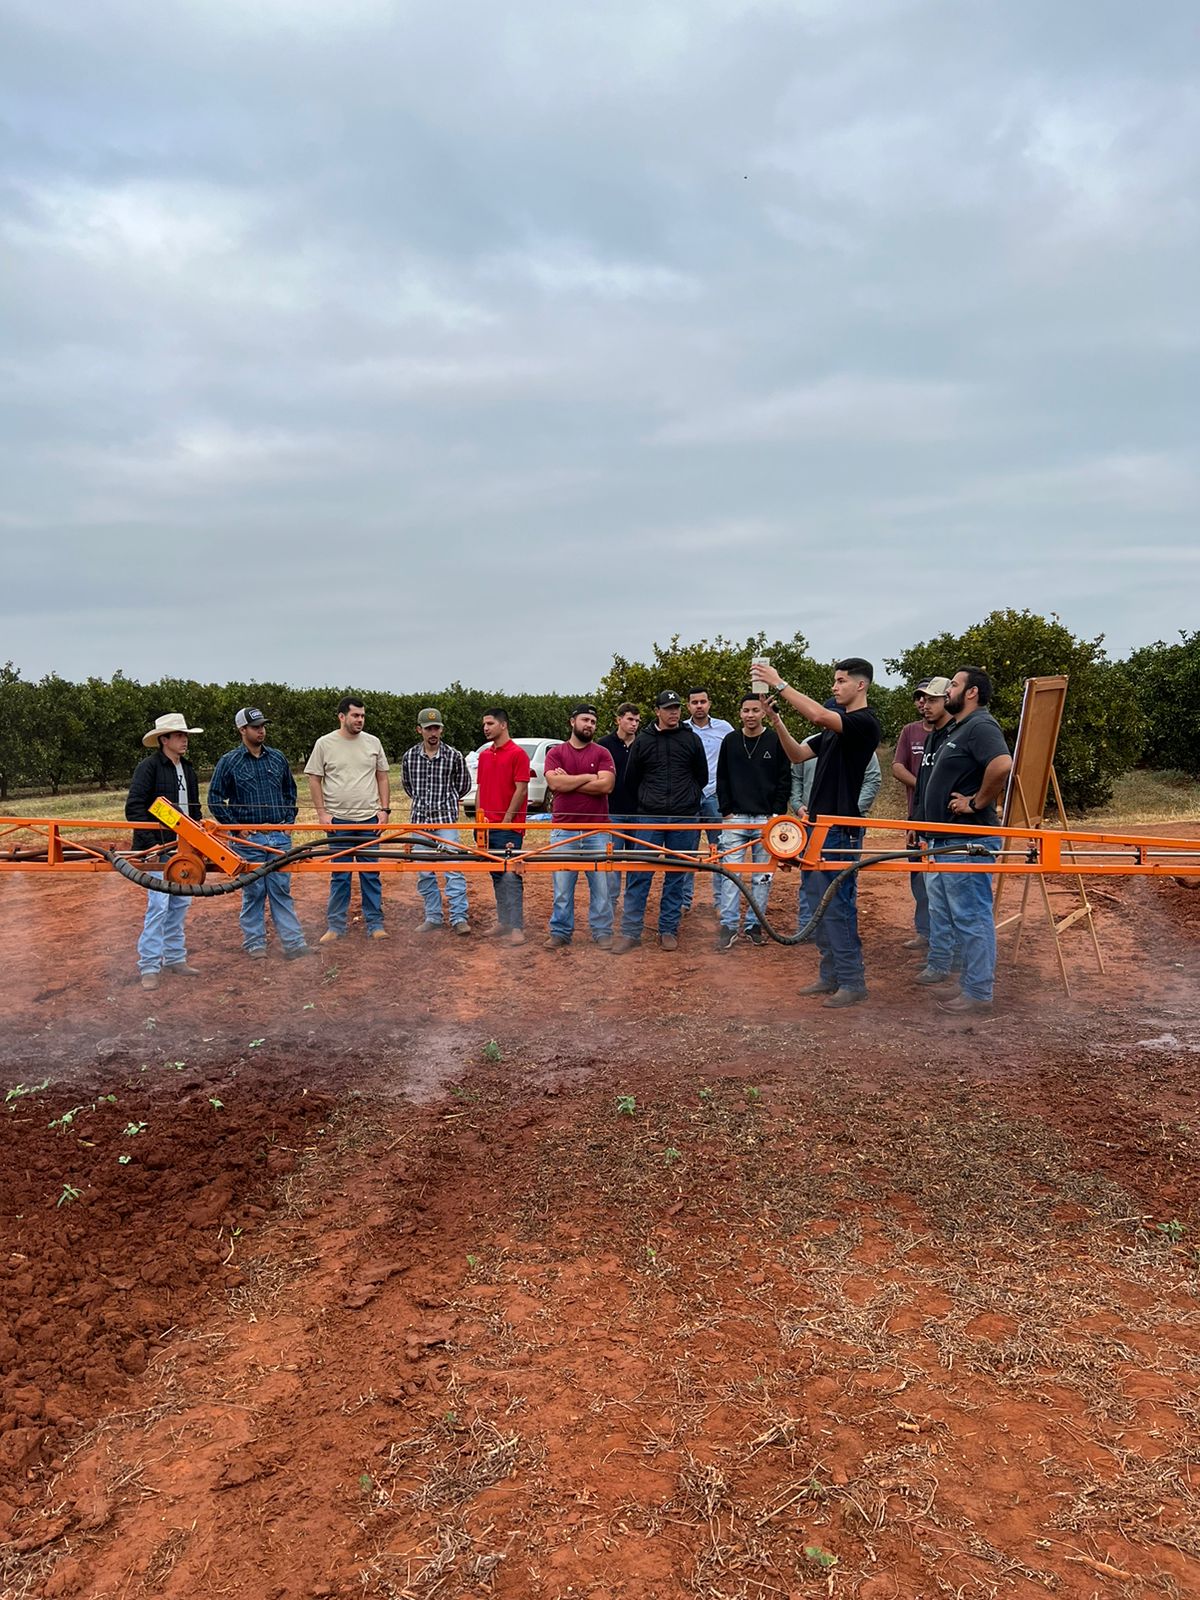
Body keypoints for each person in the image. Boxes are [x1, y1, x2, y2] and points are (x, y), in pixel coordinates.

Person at [753, 657, 881, 1007]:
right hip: (817, 829)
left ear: (861, 685)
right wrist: (775, 719)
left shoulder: (863, 723)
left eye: (840, 680)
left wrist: (779, 682)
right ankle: (830, 976)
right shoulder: (831, 733)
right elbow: (796, 755)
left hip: (840, 831)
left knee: (837, 906)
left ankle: (853, 982)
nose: (834, 686)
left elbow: (819, 715)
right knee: (817, 906)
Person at [918, 666, 1012, 1015]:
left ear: (971, 693)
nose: (948, 691)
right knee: (962, 916)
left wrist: (976, 803)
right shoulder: (962, 727)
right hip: (949, 839)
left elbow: (1002, 764)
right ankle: (972, 986)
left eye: (954, 685)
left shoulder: (981, 725)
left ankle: (978, 993)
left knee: (972, 916)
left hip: (968, 840)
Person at [208, 707, 312, 962]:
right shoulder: (229, 761)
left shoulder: (277, 758)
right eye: (255, 727)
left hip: (278, 834)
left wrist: (287, 821)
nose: (261, 730)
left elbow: (290, 790)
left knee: (280, 889)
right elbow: (215, 798)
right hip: (249, 838)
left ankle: (293, 943)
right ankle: (255, 944)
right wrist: (236, 827)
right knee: (253, 892)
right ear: (242, 730)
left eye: (263, 726)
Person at [611, 690, 708, 954]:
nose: (673, 712)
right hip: (650, 816)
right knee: (639, 874)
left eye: (676, 707)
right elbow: (631, 779)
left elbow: (701, 776)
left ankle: (668, 929)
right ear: (657, 711)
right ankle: (631, 932)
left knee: (676, 875)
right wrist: (649, 800)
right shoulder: (643, 741)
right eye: (668, 708)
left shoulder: (691, 739)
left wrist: (686, 799)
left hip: (684, 817)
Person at [125, 712, 204, 991]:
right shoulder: (149, 768)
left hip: (184, 848)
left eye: (185, 736)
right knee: (159, 906)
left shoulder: (188, 769)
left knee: (180, 903)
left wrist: (199, 840)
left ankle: (175, 958)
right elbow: (134, 808)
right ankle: (149, 965)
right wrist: (151, 844)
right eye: (179, 736)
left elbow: (194, 809)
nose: (184, 741)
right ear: (164, 740)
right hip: (160, 849)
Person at [303, 697, 390, 944]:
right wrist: (322, 813)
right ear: (342, 716)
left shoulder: (373, 743)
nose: (360, 720)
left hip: (368, 821)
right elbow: (314, 779)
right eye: (355, 716)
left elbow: (382, 776)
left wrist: (384, 810)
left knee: (370, 874)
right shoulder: (325, 744)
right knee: (340, 875)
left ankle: (375, 924)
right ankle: (335, 926)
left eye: (362, 716)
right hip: (338, 822)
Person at [714, 694, 791, 950]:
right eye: (745, 710)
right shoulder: (731, 740)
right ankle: (728, 925)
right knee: (730, 875)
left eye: (755, 710)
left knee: (763, 877)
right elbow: (721, 777)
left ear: (762, 713)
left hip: (765, 818)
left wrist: (777, 813)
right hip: (735, 816)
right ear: (740, 713)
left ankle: (754, 925)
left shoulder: (775, 740)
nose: (750, 715)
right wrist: (726, 810)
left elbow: (784, 779)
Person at [544, 705, 616, 949]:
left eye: (593, 722)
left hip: (598, 830)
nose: (589, 725)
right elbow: (554, 782)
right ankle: (560, 931)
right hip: (564, 829)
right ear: (572, 721)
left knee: (602, 886)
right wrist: (589, 777)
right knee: (562, 887)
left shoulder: (603, 753)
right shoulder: (556, 752)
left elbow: (606, 787)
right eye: (585, 720)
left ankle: (602, 931)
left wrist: (570, 781)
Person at [891, 677, 952, 952]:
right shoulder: (911, 732)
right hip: (918, 816)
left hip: (946, 823)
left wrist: (932, 787)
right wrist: (924, 785)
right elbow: (897, 766)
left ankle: (946, 942)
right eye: (920, 698)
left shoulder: (952, 733)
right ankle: (924, 932)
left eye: (929, 698)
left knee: (945, 881)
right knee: (918, 877)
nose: (923, 703)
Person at [401, 708, 472, 936]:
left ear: (441, 729)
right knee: (424, 871)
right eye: (428, 728)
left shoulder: (454, 756)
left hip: (446, 821)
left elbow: (464, 785)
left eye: (437, 728)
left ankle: (459, 917)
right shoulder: (409, 757)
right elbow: (408, 787)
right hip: (420, 820)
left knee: (453, 868)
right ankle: (433, 916)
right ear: (419, 730)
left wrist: (446, 802)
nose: (433, 732)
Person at [476, 708, 531, 946]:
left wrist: (507, 821)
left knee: (511, 875)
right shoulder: (485, 756)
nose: (485, 728)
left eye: (490, 723)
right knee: (496, 875)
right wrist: (479, 821)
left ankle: (517, 927)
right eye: (484, 724)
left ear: (503, 725)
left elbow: (521, 789)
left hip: (509, 828)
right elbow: (480, 788)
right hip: (487, 827)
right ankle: (504, 921)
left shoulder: (518, 754)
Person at [681, 689, 734, 915]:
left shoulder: (725, 729)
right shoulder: (681, 729)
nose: (699, 706)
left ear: (709, 704)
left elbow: (734, 761)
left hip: (715, 795)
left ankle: (721, 902)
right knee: (685, 851)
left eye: (703, 701)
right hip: (688, 797)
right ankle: (683, 902)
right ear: (688, 705)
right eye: (695, 702)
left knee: (721, 850)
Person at [598, 703, 641, 918]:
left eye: (637, 720)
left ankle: (632, 908)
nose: (634, 724)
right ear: (618, 720)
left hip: (638, 813)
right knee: (611, 863)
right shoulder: (604, 746)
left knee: (636, 863)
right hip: (612, 811)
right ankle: (610, 906)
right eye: (630, 719)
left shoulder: (643, 744)